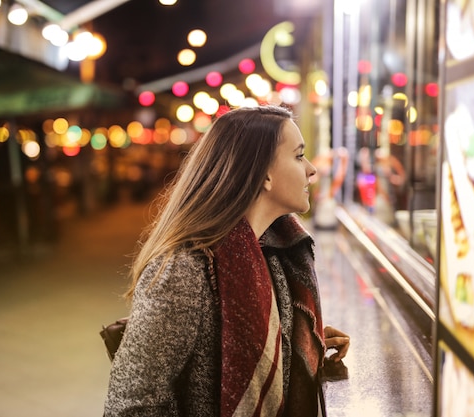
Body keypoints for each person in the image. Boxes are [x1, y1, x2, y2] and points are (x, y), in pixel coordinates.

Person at [104, 105, 350, 417]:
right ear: (263, 174)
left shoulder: (275, 254)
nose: (312, 169)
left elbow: (252, 346)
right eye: (299, 155)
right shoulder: (184, 270)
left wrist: (298, 341)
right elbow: (130, 407)